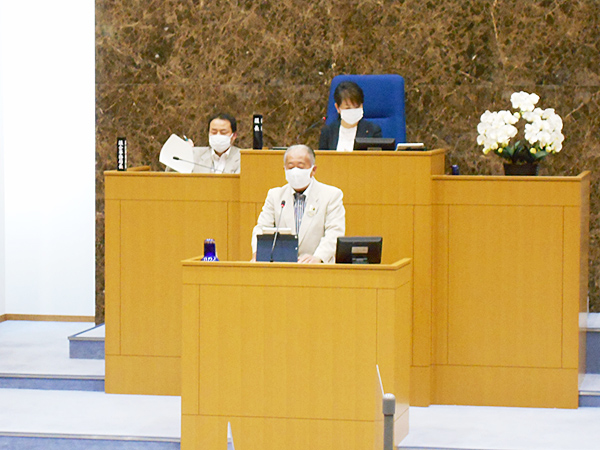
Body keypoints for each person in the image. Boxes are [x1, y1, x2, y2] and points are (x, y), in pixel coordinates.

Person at [251, 145, 345, 263]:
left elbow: (334, 232)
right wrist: (258, 254)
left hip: (317, 269)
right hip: (282, 268)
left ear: (313, 170)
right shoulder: (275, 196)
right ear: (284, 170)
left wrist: (318, 258)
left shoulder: (331, 195)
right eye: (290, 167)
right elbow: (261, 229)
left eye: (300, 167)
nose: (295, 171)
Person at [318, 81, 382, 151]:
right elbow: (322, 159)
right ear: (337, 108)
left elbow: (376, 159)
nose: (353, 111)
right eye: (348, 108)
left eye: (357, 107)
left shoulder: (373, 131)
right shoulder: (327, 132)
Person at [169, 113, 241, 173]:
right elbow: (170, 176)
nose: (218, 135)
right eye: (214, 132)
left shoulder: (243, 158)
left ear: (234, 135)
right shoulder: (194, 155)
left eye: (223, 132)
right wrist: (182, 152)